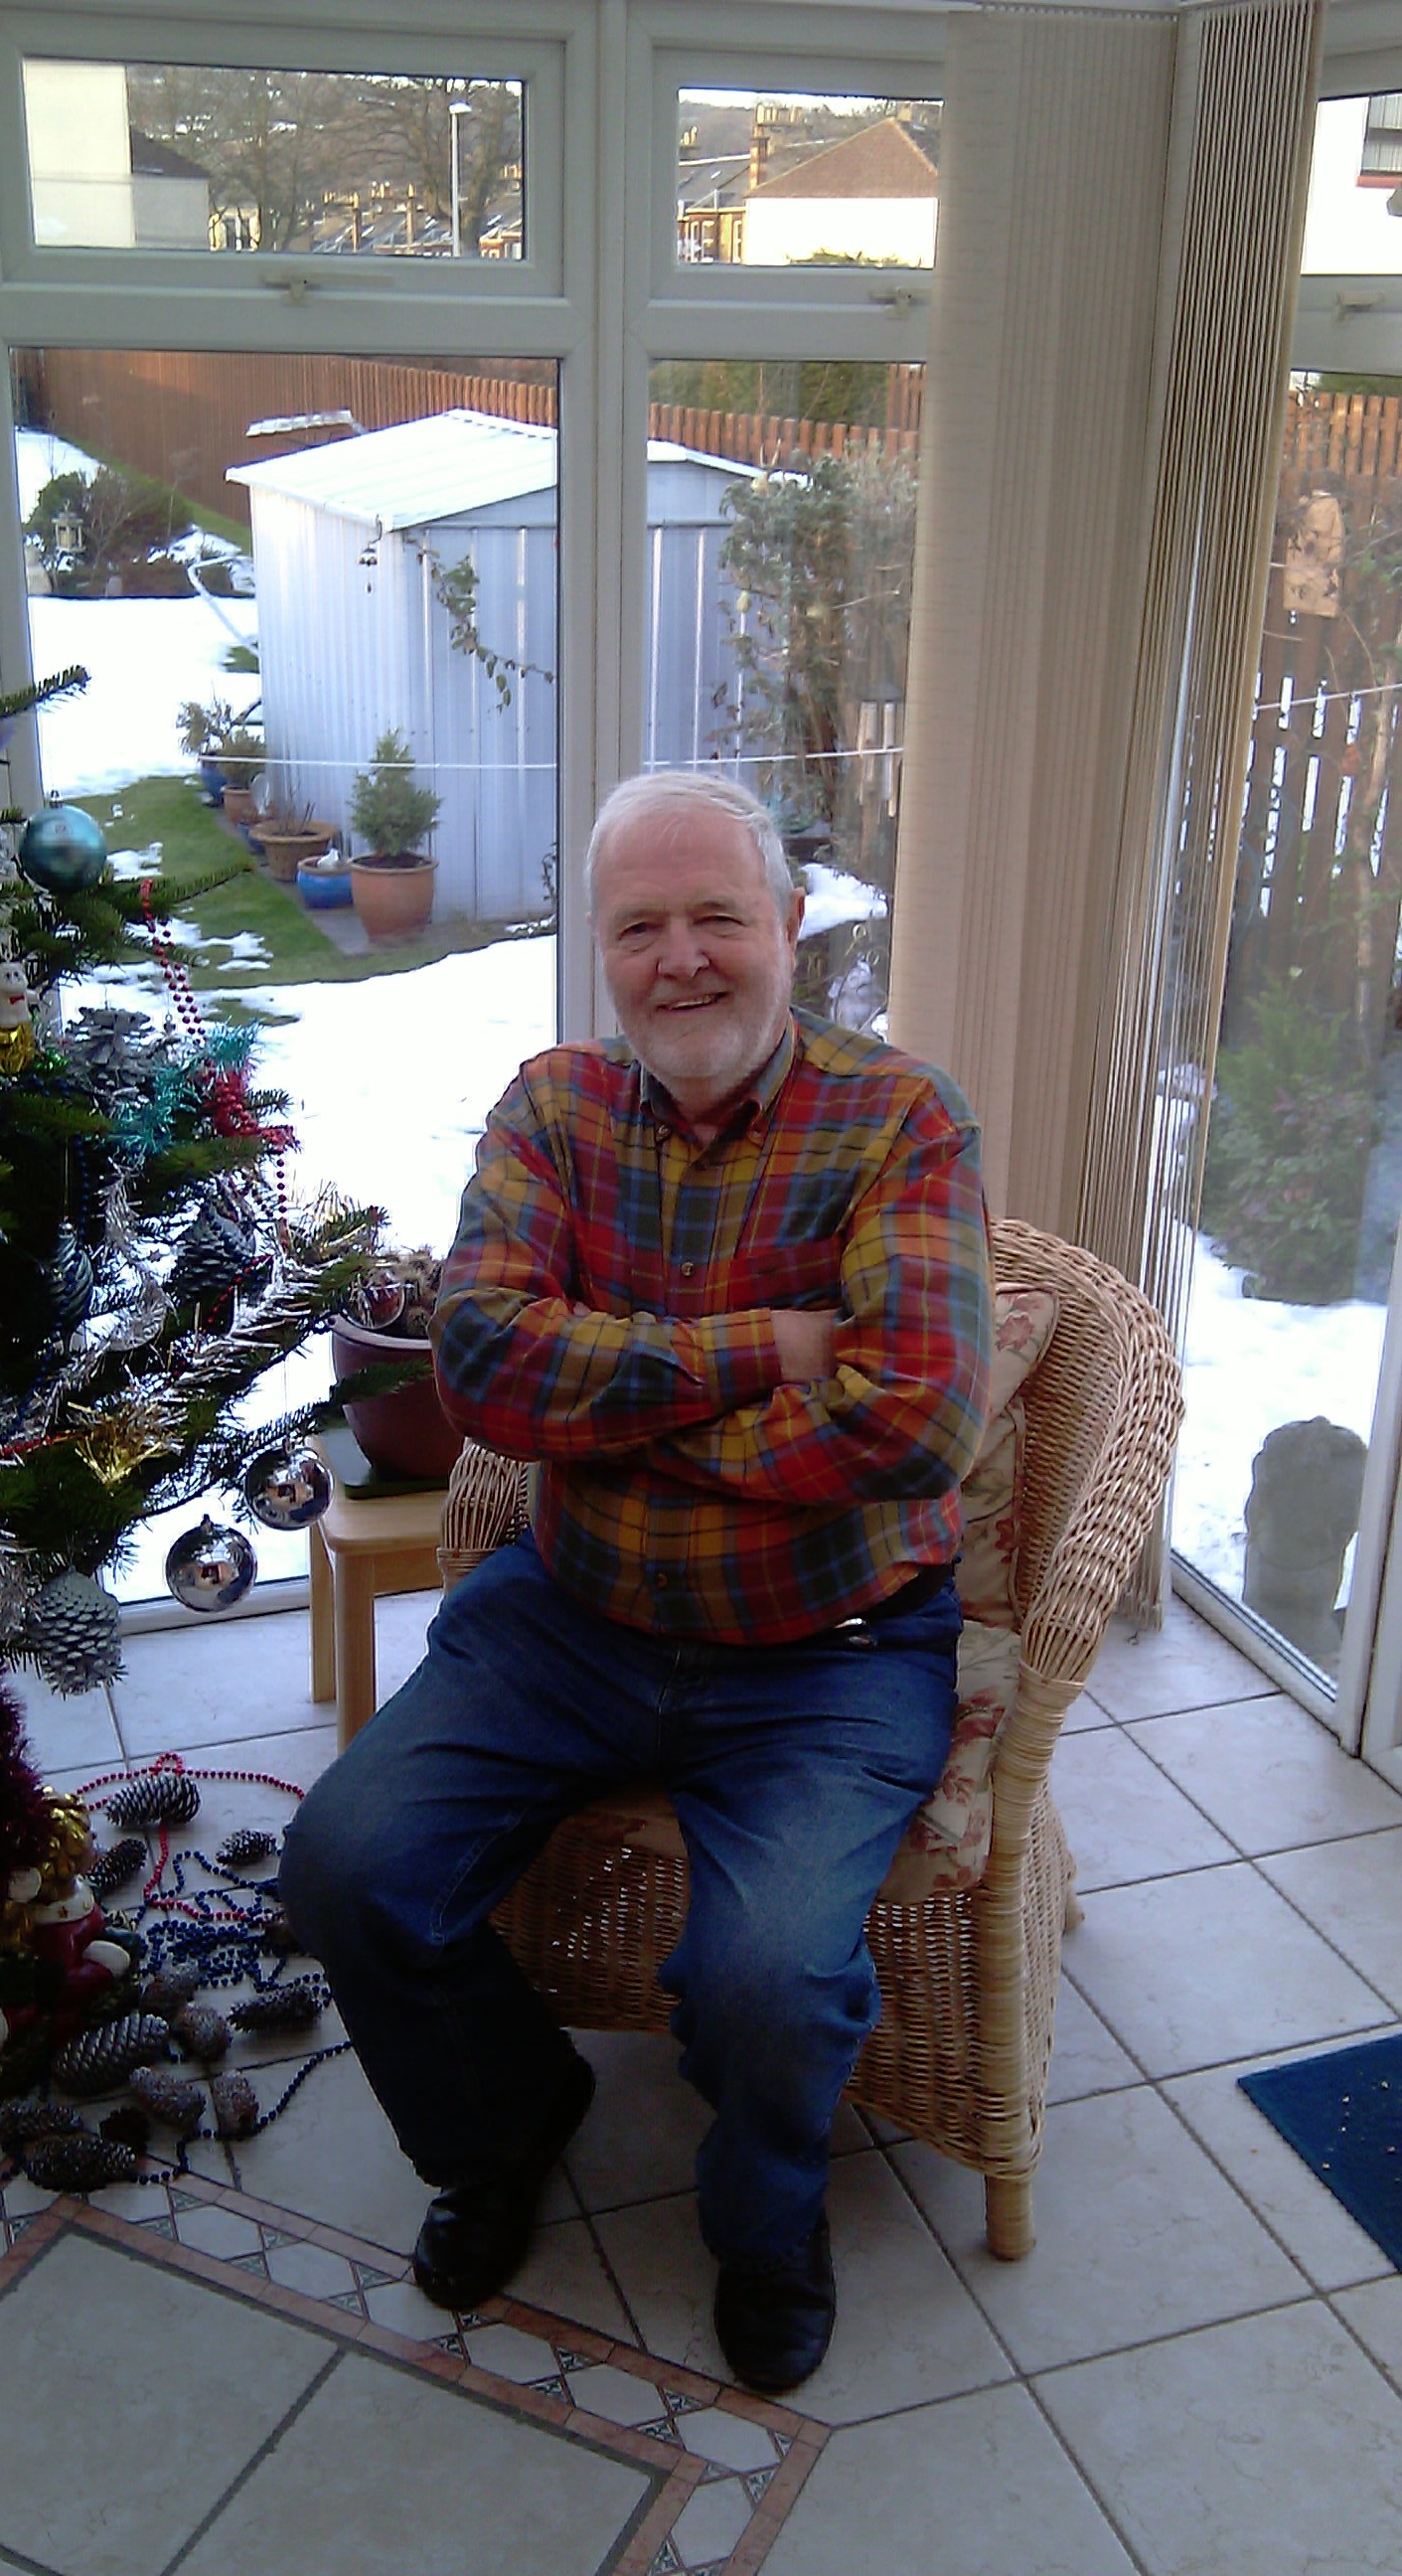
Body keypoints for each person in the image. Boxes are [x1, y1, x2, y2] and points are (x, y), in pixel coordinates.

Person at [280, 769, 991, 2392]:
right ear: (598, 948)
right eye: (639, 927)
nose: (681, 959)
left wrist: (614, 1414)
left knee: (769, 1981)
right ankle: (506, 2122)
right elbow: (481, 1370)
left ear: (790, 925)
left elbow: (917, 1423)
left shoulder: (900, 1119)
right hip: (572, 1622)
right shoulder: (552, 1109)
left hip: (832, 1648)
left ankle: (766, 2231)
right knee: (346, 1870)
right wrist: (761, 1351)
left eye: (717, 917)